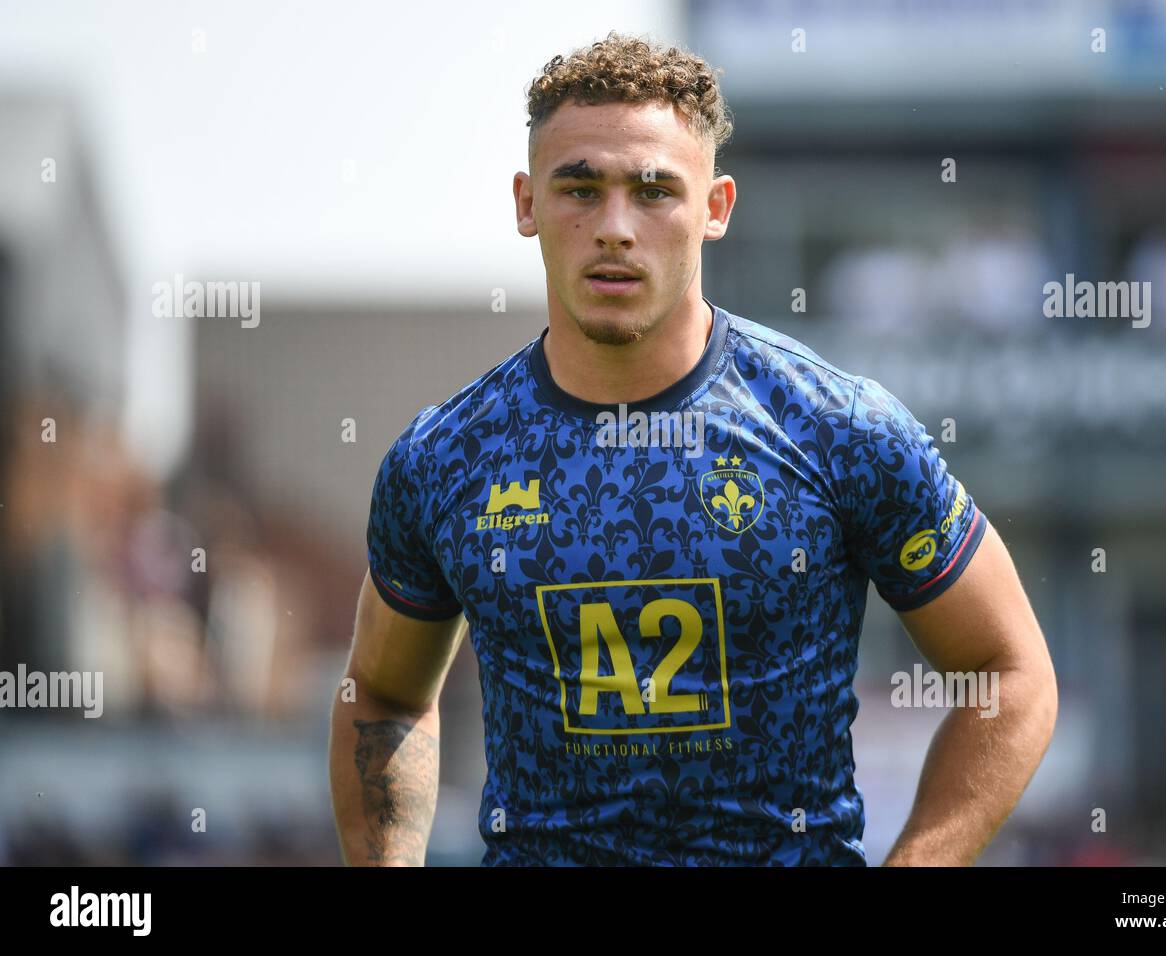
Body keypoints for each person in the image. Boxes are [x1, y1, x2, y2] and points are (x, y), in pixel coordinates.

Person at [328, 31, 1056, 866]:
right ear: (527, 203)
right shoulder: (445, 459)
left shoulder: (837, 429)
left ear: (715, 208)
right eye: (579, 188)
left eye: (652, 191)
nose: (614, 227)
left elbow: (1009, 670)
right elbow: (380, 693)